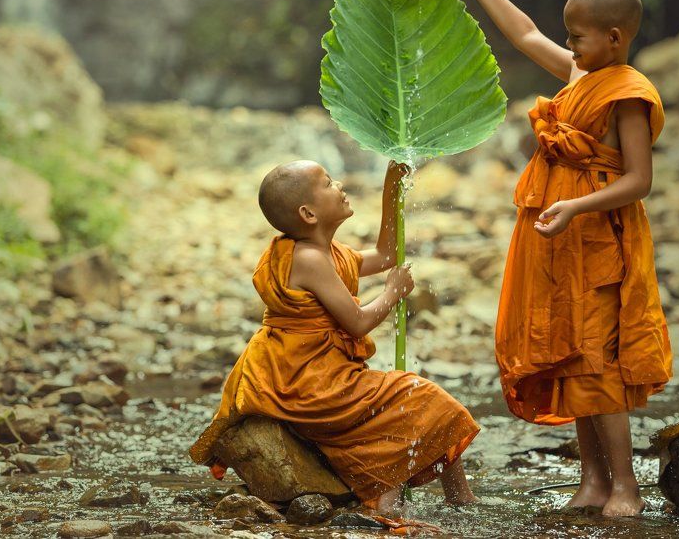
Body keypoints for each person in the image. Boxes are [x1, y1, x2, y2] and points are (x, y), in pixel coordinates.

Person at [456, 0, 672, 517]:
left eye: (577, 36)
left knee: (599, 366)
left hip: (601, 243)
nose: (569, 45)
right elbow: (525, 33)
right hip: (563, 244)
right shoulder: (581, 73)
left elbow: (639, 181)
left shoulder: (626, 92)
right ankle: (593, 482)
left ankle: (627, 487)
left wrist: (576, 205)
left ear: (615, 37)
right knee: (573, 358)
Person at [190, 160, 479, 515]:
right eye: (328, 183)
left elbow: (387, 254)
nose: (339, 184)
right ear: (309, 213)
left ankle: (449, 499)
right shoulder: (309, 259)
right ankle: (442, 501)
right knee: (423, 397)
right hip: (308, 383)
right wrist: (392, 293)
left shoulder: (330, 251)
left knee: (413, 401)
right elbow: (357, 323)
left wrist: (393, 185)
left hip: (323, 372)